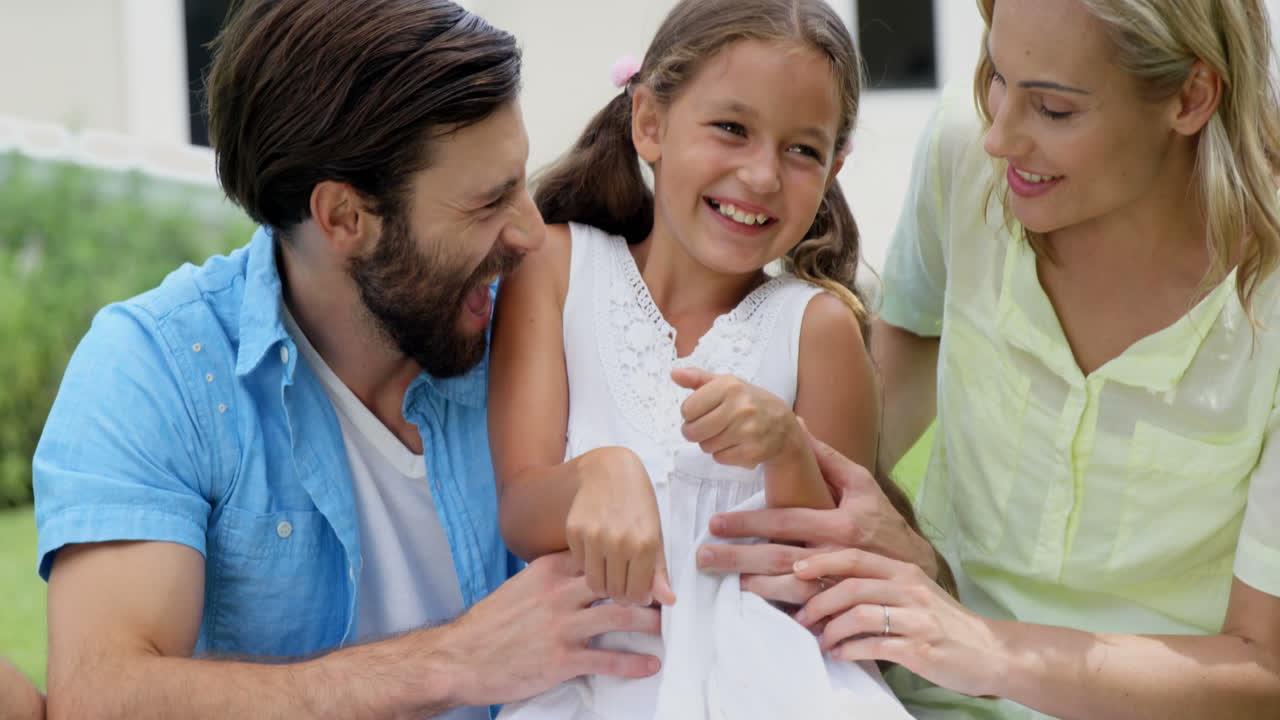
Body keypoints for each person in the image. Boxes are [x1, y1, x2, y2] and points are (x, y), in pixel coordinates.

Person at [32, 2, 663, 719]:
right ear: (343, 219)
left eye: (519, 182)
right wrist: (452, 662)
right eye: (487, 204)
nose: (528, 231)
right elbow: (104, 697)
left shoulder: (558, 320)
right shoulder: (159, 371)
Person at [780, 0, 1280, 717]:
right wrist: (876, 509)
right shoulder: (966, 148)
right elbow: (913, 333)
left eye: (1052, 109)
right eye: (996, 75)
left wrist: (989, 649)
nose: (1000, 137)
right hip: (924, 690)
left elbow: (1265, 673)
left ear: (1191, 97)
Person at [487, 1, 924, 717]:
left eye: (802, 150)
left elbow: (827, 577)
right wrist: (602, 472)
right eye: (731, 128)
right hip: (597, 680)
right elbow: (520, 512)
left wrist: (787, 449)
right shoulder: (558, 271)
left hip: (776, 687)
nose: (760, 175)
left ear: (834, 169)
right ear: (649, 123)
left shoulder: (817, 328)